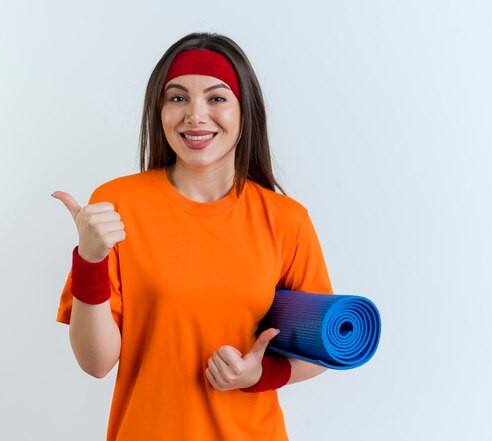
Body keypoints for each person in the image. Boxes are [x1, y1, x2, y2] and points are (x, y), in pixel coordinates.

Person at [53, 32, 333, 441]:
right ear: (159, 110)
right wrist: (90, 260)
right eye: (178, 98)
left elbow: (326, 345)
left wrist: (261, 374)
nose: (195, 115)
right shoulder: (116, 205)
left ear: (244, 111)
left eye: (217, 98)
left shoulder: (286, 220)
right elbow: (96, 363)